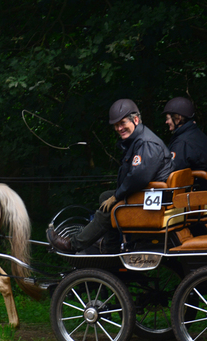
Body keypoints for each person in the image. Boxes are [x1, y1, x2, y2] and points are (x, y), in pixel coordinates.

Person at [47, 99, 174, 254]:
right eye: (116, 125)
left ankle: (73, 245)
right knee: (104, 198)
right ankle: (110, 247)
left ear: (135, 120)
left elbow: (138, 177)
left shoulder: (146, 143)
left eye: (122, 123)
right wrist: (114, 195)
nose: (119, 128)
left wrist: (117, 196)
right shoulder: (139, 140)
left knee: (110, 208)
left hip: (152, 201)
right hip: (150, 195)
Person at [163, 97, 207, 172]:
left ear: (178, 118)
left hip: (196, 182)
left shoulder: (182, 142)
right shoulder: (198, 134)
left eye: (168, 118)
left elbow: (172, 171)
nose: (166, 122)